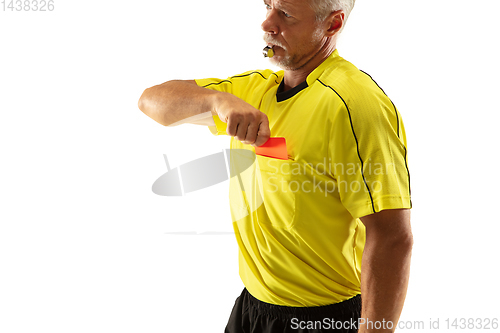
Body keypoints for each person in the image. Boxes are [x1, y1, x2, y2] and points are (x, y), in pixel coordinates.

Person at [138, 0, 413, 332]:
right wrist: (217, 100)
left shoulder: (355, 106)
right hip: (252, 309)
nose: (267, 24)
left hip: (322, 319)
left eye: (285, 14)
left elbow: (392, 237)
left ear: (332, 25)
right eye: (268, 6)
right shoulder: (255, 90)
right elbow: (151, 101)